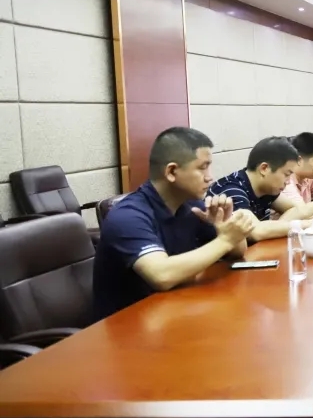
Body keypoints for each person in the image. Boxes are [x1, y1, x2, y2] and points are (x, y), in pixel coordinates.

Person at [93, 127, 255, 320]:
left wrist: (225, 225)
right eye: (202, 168)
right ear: (171, 172)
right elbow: (162, 275)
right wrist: (225, 240)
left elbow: (237, 252)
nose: (210, 177)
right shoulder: (127, 216)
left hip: (173, 310)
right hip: (126, 326)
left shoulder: (191, 205)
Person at [207, 136, 313, 242]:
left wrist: (276, 227)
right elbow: (256, 231)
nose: (288, 181)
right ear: (264, 169)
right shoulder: (231, 190)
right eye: (286, 174)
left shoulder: (266, 187)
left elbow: (296, 209)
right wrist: (310, 224)